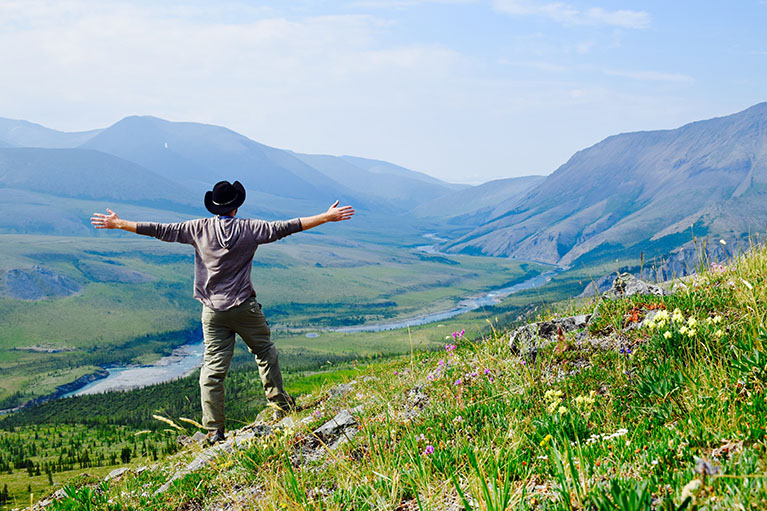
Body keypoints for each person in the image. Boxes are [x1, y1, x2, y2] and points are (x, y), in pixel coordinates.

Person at [91, 180, 354, 444]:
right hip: (244, 307)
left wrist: (119, 223)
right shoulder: (251, 229)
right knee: (265, 353)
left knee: (213, 369)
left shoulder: (197, 228)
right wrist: (326, 217)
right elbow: (287, 227)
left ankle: (214, 430)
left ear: (214, 207)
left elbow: (160, 230)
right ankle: (281, 406)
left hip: (212, 311)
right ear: (236, 206)